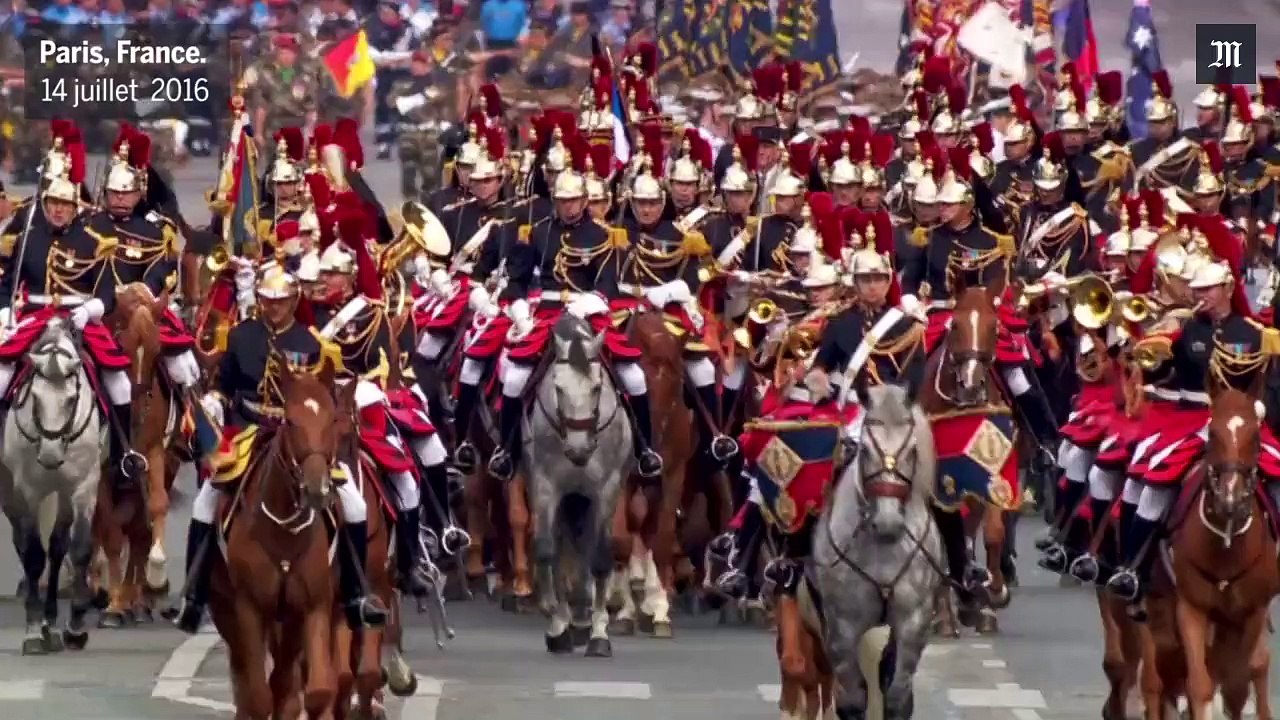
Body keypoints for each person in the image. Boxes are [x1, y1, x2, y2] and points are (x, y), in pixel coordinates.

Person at [176, 265, 390, 633]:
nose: (274, 309)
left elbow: (323, 396)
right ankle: (194, 595)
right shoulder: (241, 336)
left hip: (297, 437)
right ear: (259, 300)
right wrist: (213, 400)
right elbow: (224, 383)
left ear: (294, 301)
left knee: (354, 504)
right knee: (205, 502)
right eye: (267, 301)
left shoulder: (312, 344)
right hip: (246, 432)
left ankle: (355, 593)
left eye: (281, 302)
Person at [487, 162, 664, 481]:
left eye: (573, 200)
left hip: (589, 315)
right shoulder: (537, 233)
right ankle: (507, 451)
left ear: (585, 201)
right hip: (546, 316)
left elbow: (608, 283)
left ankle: (644, 449)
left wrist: (589, 303)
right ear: (554, 200)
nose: (568, 206)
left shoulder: (602, 236)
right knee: (514, 378)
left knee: (634, 376)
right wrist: (519, 311)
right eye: (562, 200)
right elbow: (517, 281)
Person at [0, 123, 141, 489]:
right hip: (34, 317)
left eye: (65, 204)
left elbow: (107, 291)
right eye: (53, 203)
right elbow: (7, 284)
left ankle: (123, 455)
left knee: (120, 384)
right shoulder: (26, 239)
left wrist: (90, 310)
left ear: (74, 206)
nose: (58, 210)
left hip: (78, 321)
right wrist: (5, 312)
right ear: (45, 204)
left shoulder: (95, 240)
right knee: (0, 378)